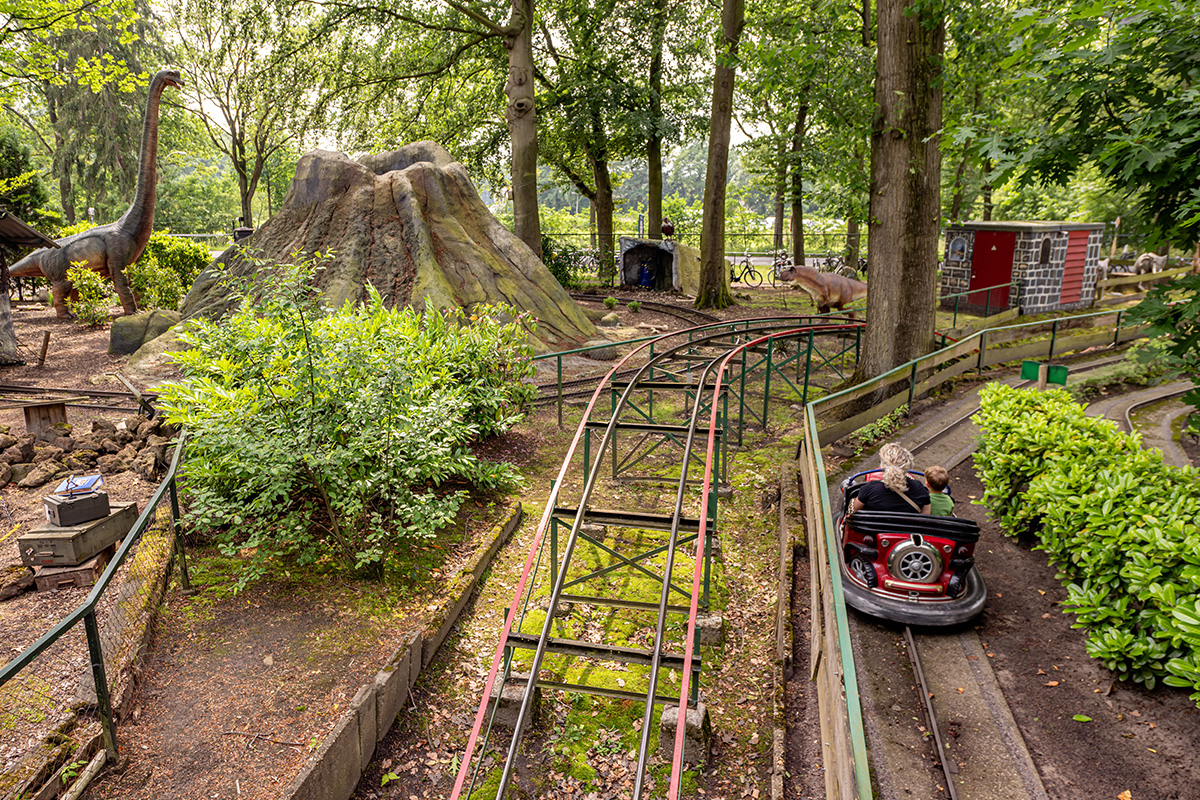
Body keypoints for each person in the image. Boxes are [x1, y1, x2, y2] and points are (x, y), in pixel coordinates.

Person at [850, 443, 931, 514]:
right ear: (907, 464)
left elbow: (854, 511)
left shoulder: (869, 489)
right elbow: (925, 516)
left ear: (883, 464)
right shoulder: (919, 488)